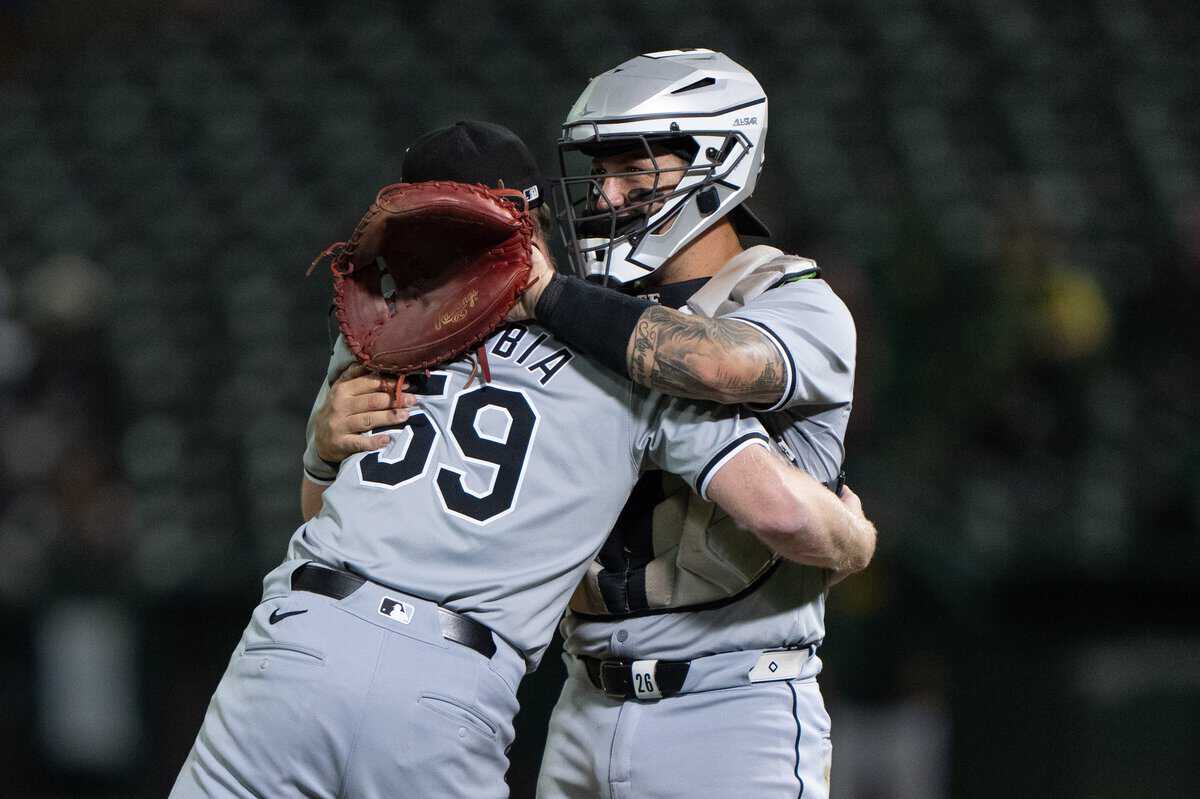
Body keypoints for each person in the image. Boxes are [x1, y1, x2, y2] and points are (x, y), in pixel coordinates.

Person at [172, 121, 875, 798]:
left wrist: (322, 452)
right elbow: (781, 511)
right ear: (531, 222)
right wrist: (856, 537)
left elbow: (319, 509)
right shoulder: (623, 350)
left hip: (298, 636)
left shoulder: (378, 333)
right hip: (448, 679)